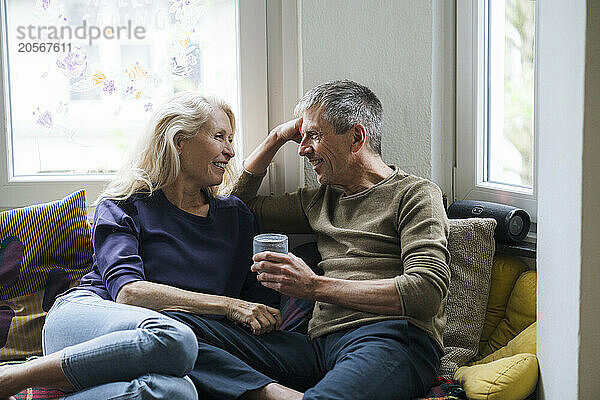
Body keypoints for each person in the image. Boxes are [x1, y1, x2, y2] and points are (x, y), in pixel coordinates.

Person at [166, 80, 451, 400]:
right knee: (172, 330)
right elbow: (236, 209)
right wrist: (275, 138)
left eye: (313, 136)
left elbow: (426, 291)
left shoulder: (415, 194)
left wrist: (312, 286)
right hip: (317, 346)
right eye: (301, 138)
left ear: (356, 137)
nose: (302, 149)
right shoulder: (318, 200)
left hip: (391, 337)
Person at [0, 92, 281, 400]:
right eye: (219, 137)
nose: (229, 151)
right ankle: (15, 377)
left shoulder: (237, 217)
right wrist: (228, 305)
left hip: (162, 351)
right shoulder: (124, 205)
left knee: (178, 392)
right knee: (176, 337)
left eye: (231, 139)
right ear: (178, 141)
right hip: (83, 322)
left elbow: (257, 305)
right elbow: (128, 293)